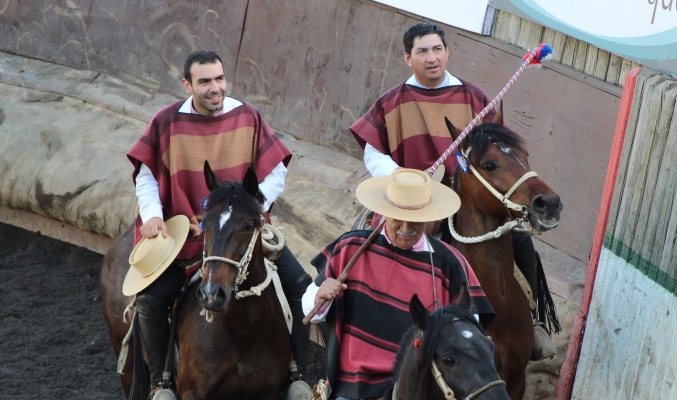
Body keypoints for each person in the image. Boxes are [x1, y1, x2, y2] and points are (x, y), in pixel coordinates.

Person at [349, 22, 555, 360]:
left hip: (471, 193)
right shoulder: (392, 101)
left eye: (437, 50)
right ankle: (370, 323)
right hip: (415, 197)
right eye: (422, 51)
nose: (431, 58)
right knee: (376, 239)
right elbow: (373, 151)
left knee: (518, 236)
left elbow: (499, 148)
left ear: (447, 53)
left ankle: (534, 317)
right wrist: (401, 177)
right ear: (407, 57)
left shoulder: (473, 96)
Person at [126, 50, 312, 399]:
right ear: (187, 84)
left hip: (242, 230)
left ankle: (297, 377)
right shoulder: (166, 121)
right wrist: (152, 213)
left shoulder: (248, 115)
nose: (215, 88)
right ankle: (161, 384)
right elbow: (147, 173)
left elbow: (276, 170)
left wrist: (251, 207)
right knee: (150, 300)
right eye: (205, 81)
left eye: (220, 79)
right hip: (185, 234)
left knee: (301, 285)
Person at [302, 168, 495, 400]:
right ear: (384, 213)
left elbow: (470, 330)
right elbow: (310, 312)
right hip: (353, 387)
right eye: (397, 219)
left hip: (420, 389)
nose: (405, 229)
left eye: (414, 221)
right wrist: (320, 297)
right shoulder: (350, 248)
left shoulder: (448, 262)